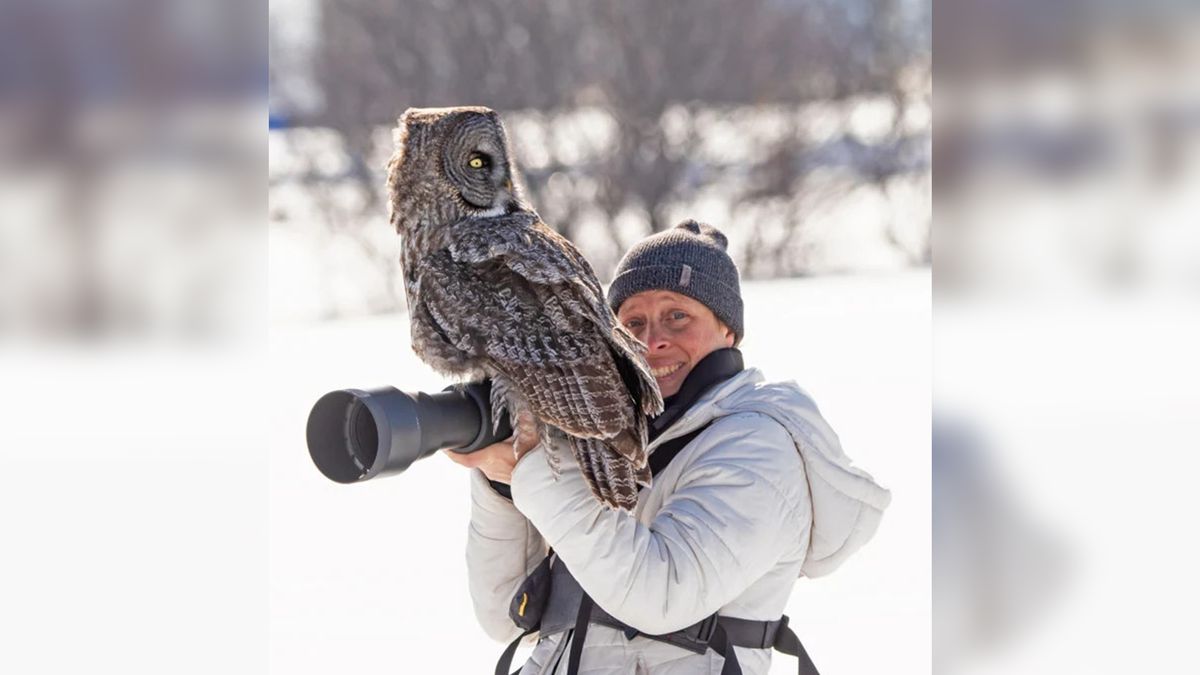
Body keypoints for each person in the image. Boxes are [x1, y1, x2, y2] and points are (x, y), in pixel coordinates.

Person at [444, 220, 890, 674]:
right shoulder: (606, 444)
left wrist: (533, 473)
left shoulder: (760, 445)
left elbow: (662, 595)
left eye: (678, 316)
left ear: (727, 330)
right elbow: (505, 616)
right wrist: (505, 488)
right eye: (632, 322)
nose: (652, 340)